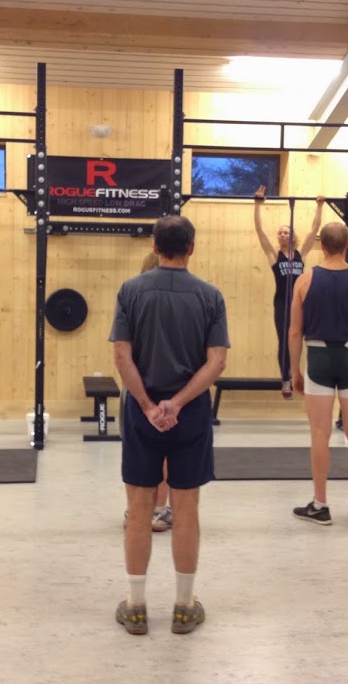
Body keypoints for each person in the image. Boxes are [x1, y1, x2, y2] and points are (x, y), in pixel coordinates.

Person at [110, 215, 229, 635]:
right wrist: (176, 403)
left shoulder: (130, 291)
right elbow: (216, 362)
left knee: (140, 510)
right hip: (190, 413)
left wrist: (147, 405)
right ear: (191, 248)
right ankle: (182, 606)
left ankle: (136, 605)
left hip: (142, 415)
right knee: (186, 510)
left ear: (155, 246)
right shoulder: (211, 296)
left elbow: (122, 356)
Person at [288, 222, 348, 526]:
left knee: (320, 434)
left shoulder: (304, 281)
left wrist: (293, 371)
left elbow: (293, 332)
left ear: (321, 245)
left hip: (318, 359)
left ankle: (320, 504)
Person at [253, 186, 325, 399]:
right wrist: (257, 205)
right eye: (280, 232)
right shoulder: (274, 256)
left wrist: (319, 206)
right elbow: (260, 231)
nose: (283, 235)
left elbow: (314, 230)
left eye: (287, 232)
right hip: (281, 303)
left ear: (293, 235)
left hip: (302, 303)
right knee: (285, 341)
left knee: (306, 339)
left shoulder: (301, 253)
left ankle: (306, 377)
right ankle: (286, 379)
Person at [121, 250, 172, 532]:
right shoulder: (188, 296)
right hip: (171, 390)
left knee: (136, 451)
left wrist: (141, 398)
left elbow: (121, 353)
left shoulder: (131, 295)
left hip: (138, 387)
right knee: (164, 454)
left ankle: (136, 511)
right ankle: (159, 510)